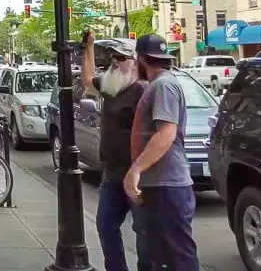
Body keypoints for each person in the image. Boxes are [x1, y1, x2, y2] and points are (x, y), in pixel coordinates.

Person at [125, 34, 200, 271]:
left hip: (168, 186)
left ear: (140, 59)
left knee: (177, 257)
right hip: (158, 186)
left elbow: (166, 133)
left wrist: (136, 169)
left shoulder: (164, 85)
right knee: (158, 257)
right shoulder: (158, 85)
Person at [79, 32, 150, 271]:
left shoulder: (142, 90)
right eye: (113, 57)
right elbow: (88, 80)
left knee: (144, 230)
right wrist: (87, 49)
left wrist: (140, 168)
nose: (115, 61)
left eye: (121, 57)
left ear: (135, 62)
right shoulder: (110, 85)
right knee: (105, 225)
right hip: (111, 174)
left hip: (136, 176)